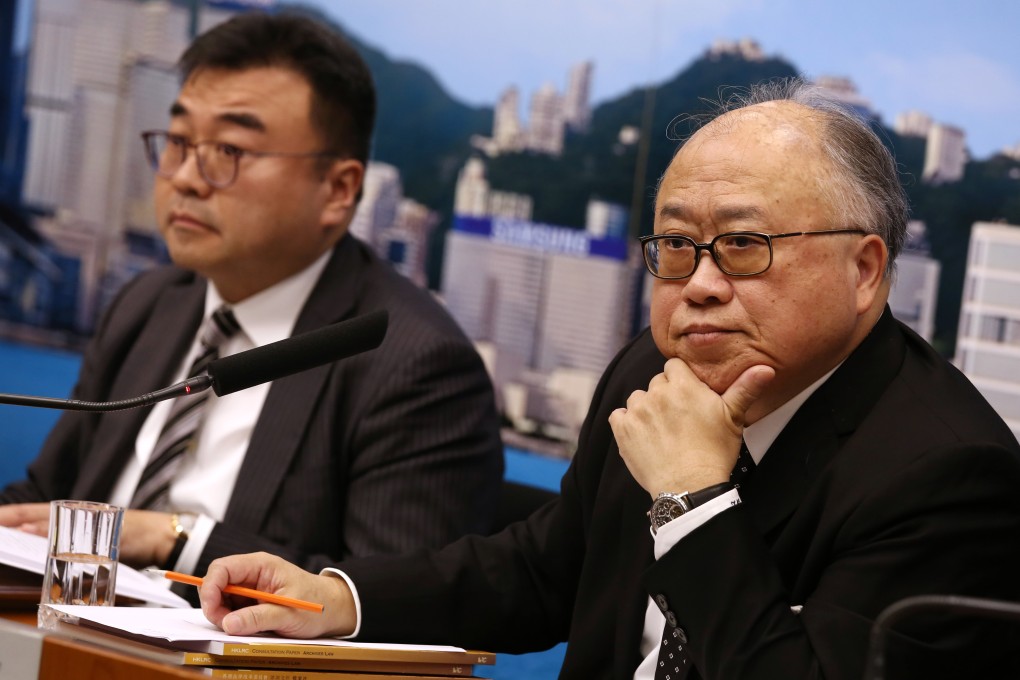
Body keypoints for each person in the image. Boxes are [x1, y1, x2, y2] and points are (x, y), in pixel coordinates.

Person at [196, 79, 1020, 679]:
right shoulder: (654, 367)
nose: (698, 284)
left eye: (741, 245)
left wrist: (693, 500)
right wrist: (339, 600)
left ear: (865, 270)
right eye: (674, 247)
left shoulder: (945, 473)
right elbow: (545, 571)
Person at [0, 12, 503, 588]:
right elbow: (41, 503)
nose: (186, 177)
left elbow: (392, 603)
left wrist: (179, 539)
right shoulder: (150, 303)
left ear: (338, 190)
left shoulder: (414, 363)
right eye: (180, 142)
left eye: (229, 150)